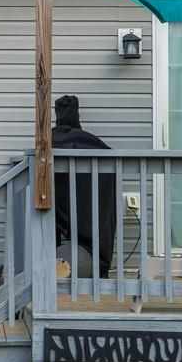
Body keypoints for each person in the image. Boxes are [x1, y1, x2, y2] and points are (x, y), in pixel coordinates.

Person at [49, 94, 117, 276]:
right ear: (77, 115)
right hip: (86, 216)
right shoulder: (89, 143)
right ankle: (97, 267)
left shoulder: (50, 141)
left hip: (55, 210)